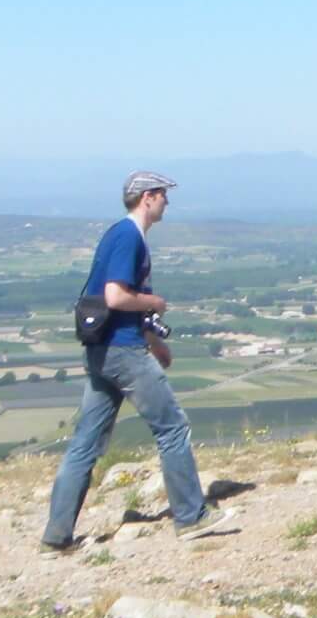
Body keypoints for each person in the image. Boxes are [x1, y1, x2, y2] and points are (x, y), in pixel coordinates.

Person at [41, 172, 229, 549]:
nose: (167, 203)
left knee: (85, 443)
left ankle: (56, 538)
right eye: (163, 196)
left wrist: (154, 340)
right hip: (122, 351)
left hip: (102, 351)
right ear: (147, 198)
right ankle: (191, 516)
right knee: (172, 427)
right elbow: (116, 297)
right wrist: (154, 304)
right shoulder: (130, 237)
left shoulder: (116, 234)